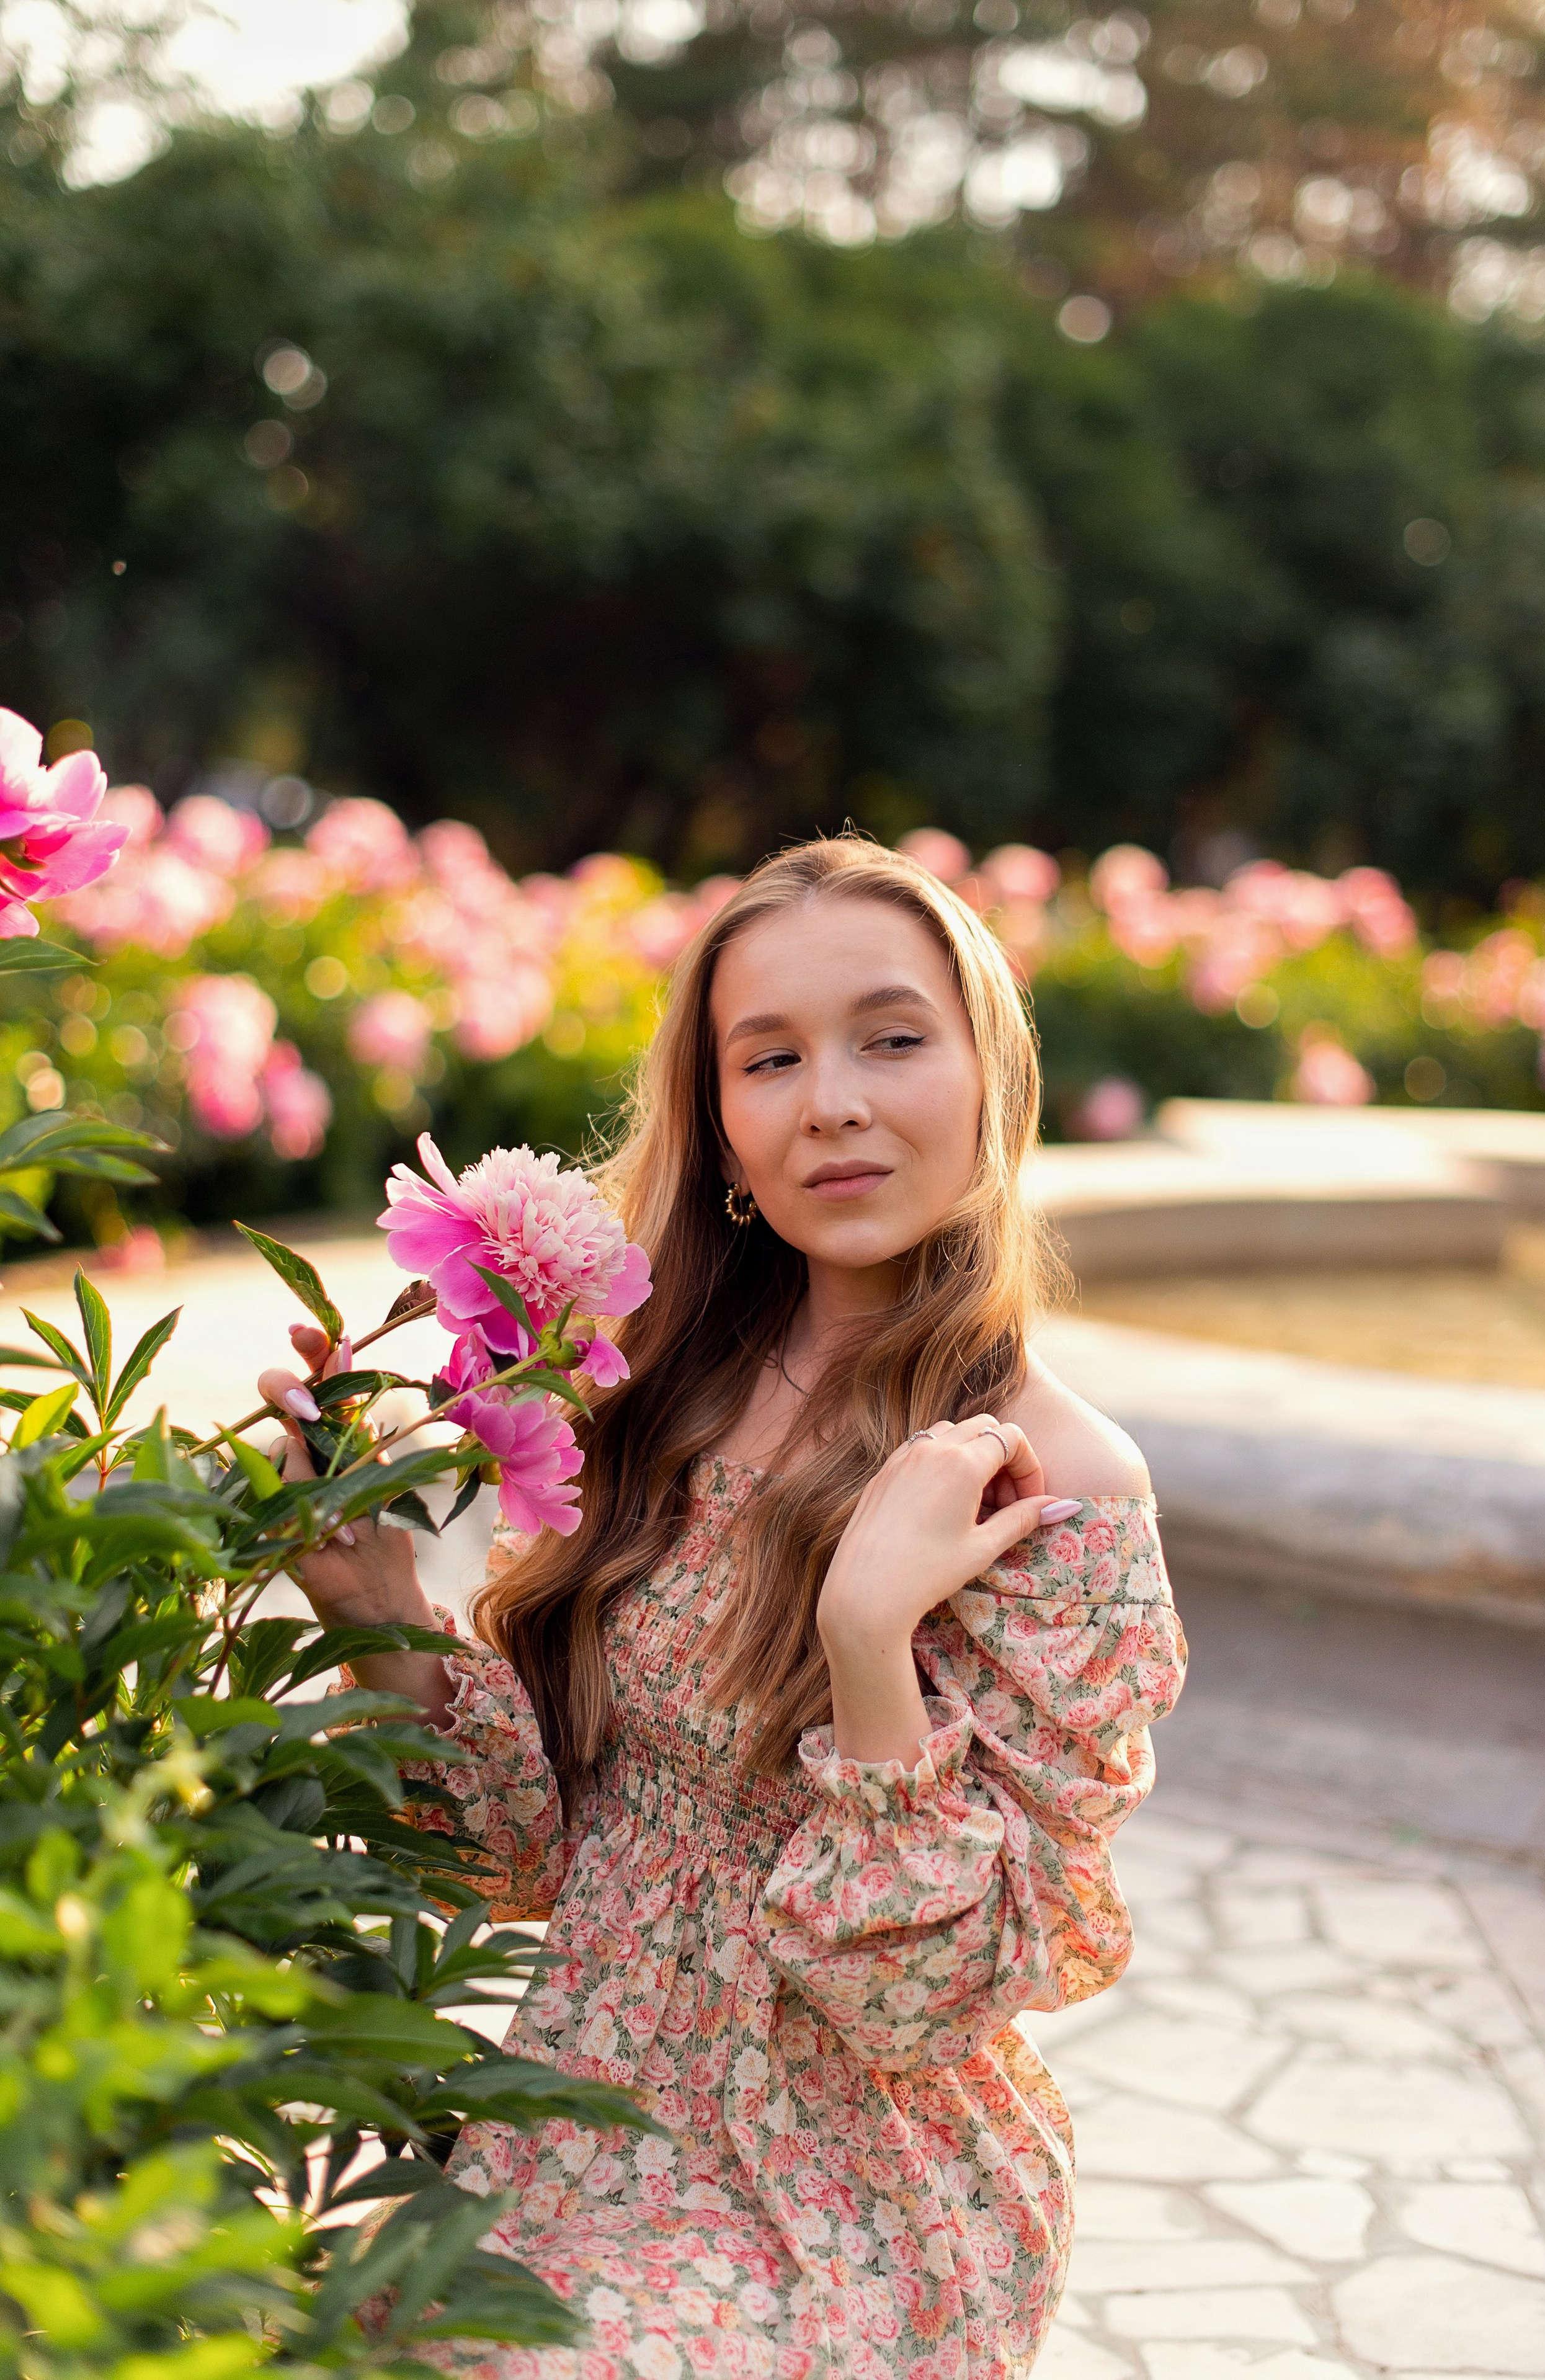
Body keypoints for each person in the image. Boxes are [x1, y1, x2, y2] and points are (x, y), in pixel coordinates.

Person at [260, 836, 1187, 2380]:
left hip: (859, 2190)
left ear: (987, 1077)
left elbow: (914, 2001)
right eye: (770, 1057)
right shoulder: (658, 1393)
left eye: (891, 1037)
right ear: (723, 1126)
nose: (831, 1097)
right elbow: (551, 1840)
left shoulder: (1056, 1482)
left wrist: (866, 1640)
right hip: (584, 2116)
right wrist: (379, 1604)